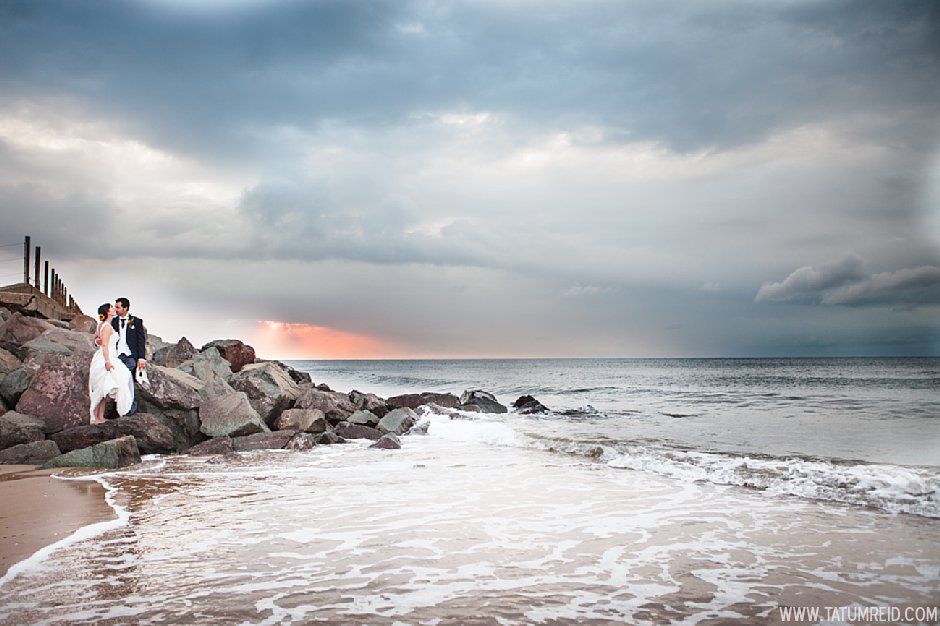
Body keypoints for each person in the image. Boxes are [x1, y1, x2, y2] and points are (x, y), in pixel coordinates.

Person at [89, 303, 134, 424]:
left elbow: (97, 341)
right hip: (106, 358)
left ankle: (99, 417)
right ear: (108, 312)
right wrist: (107, 362)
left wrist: (98, 342)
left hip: (103, 356)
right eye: (112, 308)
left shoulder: (101, 325)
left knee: (103, 387)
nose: (114, 309)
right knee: (103, 387)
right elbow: (104, 345)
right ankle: (96, 417)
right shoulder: (107, 327)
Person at [112, 297, 147, 414]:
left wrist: (142, 358)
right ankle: (121, 409)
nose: (115, 309)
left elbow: (141, 340)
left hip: (131, 357)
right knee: (121, 382)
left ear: (125, 308)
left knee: (128, 381)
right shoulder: (113, 321)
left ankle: (130, 409)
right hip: (117, 357)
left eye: (118, 307)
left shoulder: (136, 321)